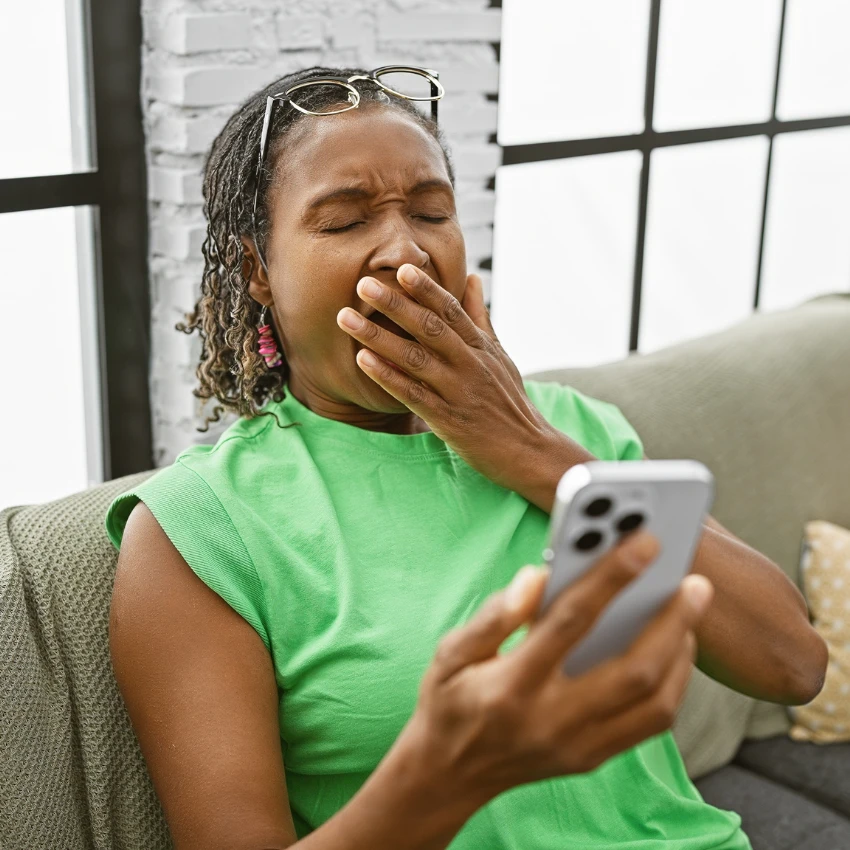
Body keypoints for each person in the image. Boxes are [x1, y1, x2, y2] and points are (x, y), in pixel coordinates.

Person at [105, 66, 749, 850]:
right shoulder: (201, 531)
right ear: (256, 273)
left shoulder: (576, 433)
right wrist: (448, 774)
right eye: (343, 223)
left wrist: (532, 451)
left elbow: (790, 663)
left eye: (431, 211)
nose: (405, 254)